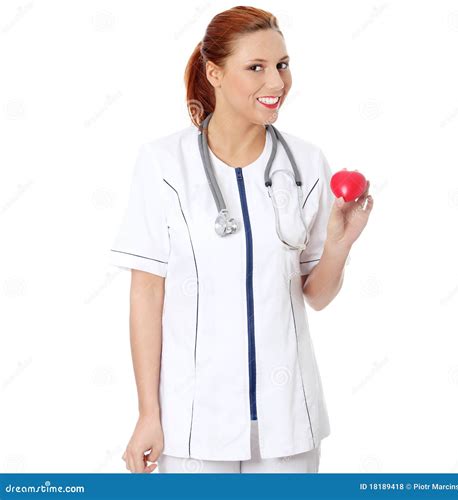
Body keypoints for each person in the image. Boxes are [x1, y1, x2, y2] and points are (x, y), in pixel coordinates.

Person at [110, 6, 374, 474]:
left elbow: (316, 295)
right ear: (214, 72)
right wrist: (148, 413)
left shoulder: (307, 165)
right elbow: (147, 293)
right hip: (193, 425)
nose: (276, 82)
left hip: (288, 424)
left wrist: (339, 245)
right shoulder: (163, 165)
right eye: (256, 68)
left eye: (282, 65)